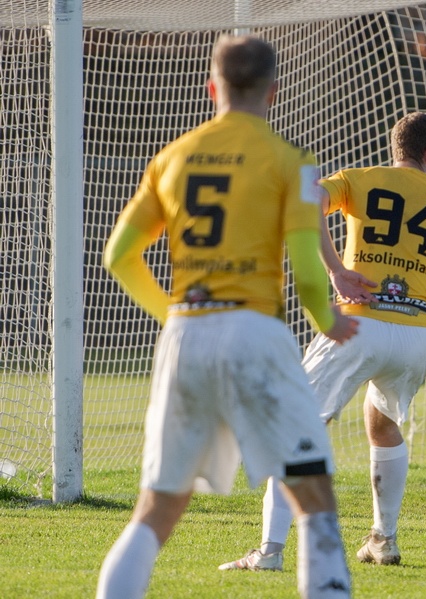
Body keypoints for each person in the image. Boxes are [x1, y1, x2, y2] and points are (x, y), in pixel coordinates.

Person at [96, 34, 357, 599]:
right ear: (273, 92)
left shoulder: (172, 156)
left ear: (211, 87)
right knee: (313, 499)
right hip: (255, 331)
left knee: (158, 507)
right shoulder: (292, 160)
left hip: (187, 331)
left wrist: (174, 315)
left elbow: (119, 255)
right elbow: (308, 267)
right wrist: (324, 319)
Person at [218, 111, 426, 570]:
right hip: (419, 336)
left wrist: (336, 270)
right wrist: (413, 315)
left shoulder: (359, 179)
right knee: (384, 422)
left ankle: (271, 552)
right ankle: (384, 539)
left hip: (359, 324)